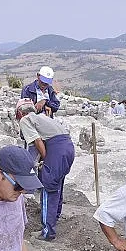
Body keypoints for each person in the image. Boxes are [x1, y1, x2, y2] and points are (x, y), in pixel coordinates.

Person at [15, 98, 75, 241]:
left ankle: (47, 232)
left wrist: (44, 160)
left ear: (20, 113)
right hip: (68, 149)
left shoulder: (25, 120)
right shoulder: (42, 118)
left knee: (48, 187)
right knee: (57, 185)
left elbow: (37, 142)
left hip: (56, 151)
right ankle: (54, 219)